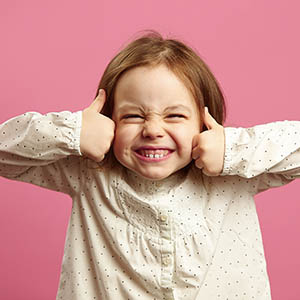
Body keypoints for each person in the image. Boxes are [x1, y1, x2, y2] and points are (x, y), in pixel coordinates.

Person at [0, 30, 299, 300]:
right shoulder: (89, 172)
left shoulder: (234, 171)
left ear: (204, 123)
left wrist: (235, 148)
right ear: (109, 121)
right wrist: (72, 132)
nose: (153, 130)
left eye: (175, 116)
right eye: (133, 116)